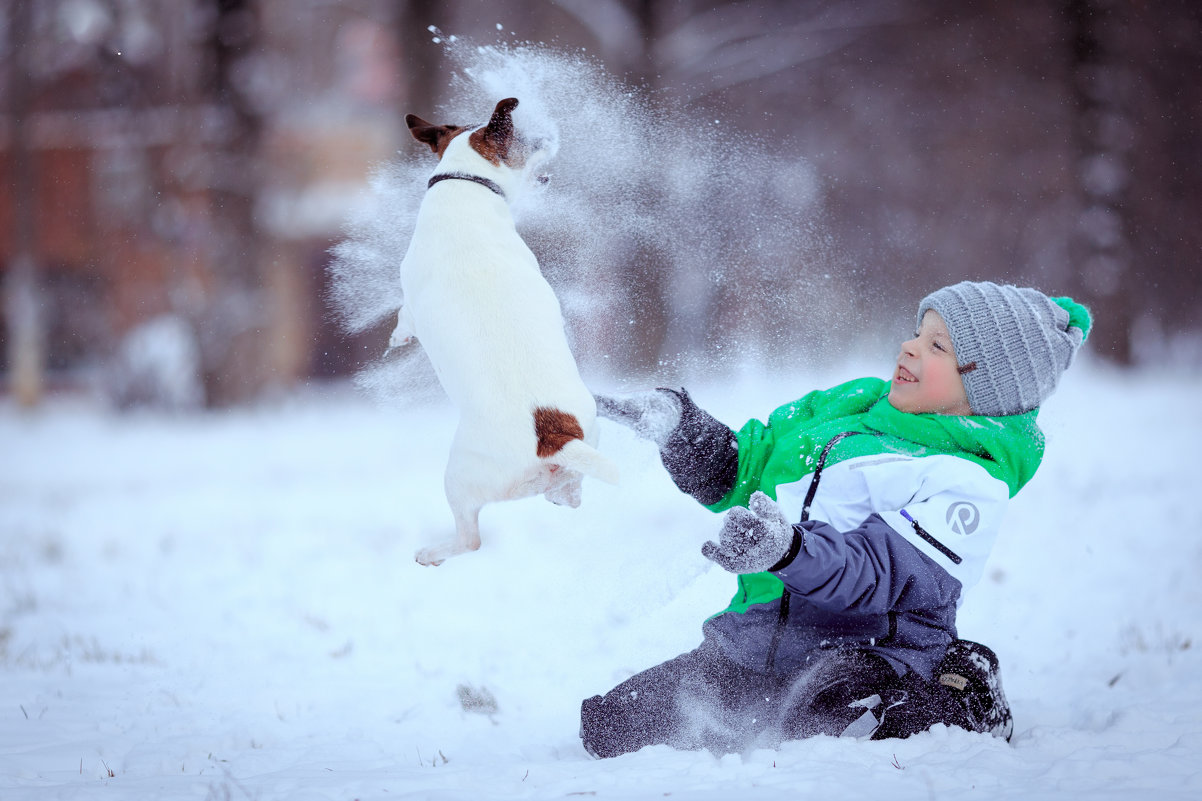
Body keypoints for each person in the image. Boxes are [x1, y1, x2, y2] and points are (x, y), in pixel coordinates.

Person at [580, 280, 1092, 758]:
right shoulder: (845, 411)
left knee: (825, 719)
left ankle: (963, 693)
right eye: (918, 334)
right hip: (754, 645)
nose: (911, 347)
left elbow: (876, 572)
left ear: (988, 391)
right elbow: (747, 469)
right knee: (612, 727)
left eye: (939, 347)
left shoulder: (966, 481)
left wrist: (790, 551)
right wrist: (683, 432)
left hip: (870, 653)